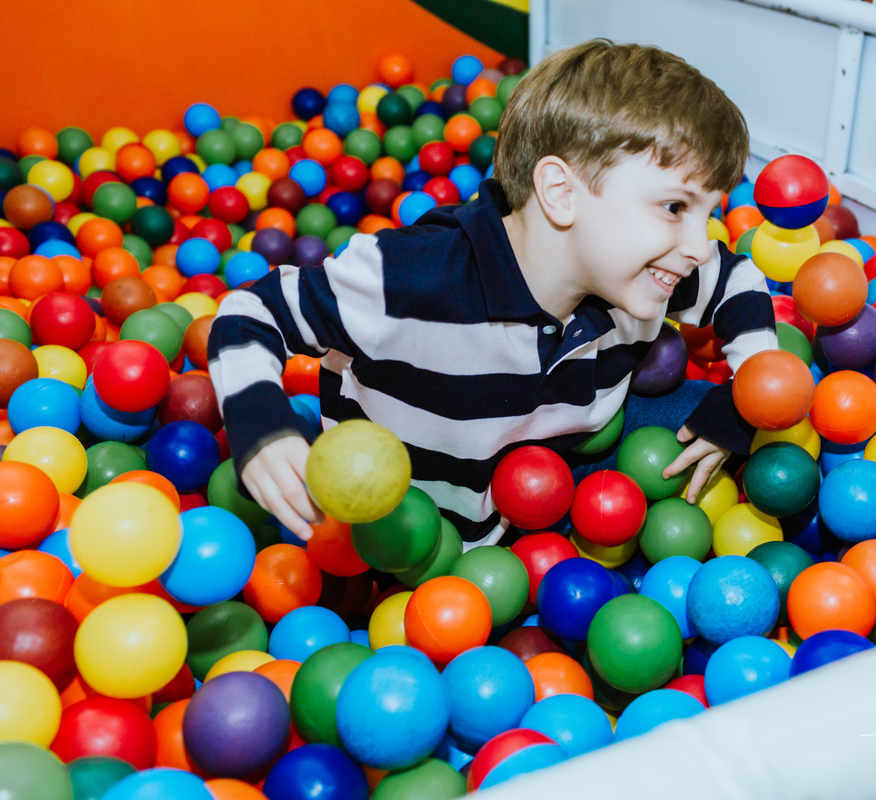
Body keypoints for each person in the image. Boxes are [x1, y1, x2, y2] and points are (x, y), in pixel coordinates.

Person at [208, 39, 779, 546]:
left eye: (708, 215)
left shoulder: (640, 274)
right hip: (388, 524)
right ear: (560, 193)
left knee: (751, 448)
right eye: (675, 207)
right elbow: (250, 311)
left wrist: (747, 397)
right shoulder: (412, 277)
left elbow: (739, 279)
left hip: (555, 495)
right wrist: (262, 424)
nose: (701, 246)